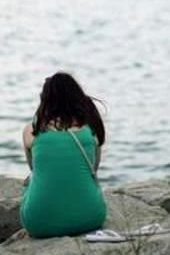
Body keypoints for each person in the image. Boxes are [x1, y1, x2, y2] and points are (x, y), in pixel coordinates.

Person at [20, 73, 107, 238]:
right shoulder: (91, 130)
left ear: (44, 99)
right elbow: (92, 170)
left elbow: (35, 170)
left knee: (29, 184)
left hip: (39, 224)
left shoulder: (31, 131)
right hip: (90, 219)